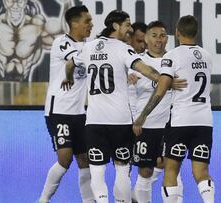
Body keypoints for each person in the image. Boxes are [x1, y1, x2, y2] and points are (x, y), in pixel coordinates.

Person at [64, 10, 187, 203]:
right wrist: (166, 81)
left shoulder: (88, 48)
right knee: (122, 171)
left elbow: (70, 64)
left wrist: (68, 77)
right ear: (116, 26)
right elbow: (147, 70)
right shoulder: (122, 49)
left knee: (97, 171)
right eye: (127, 25)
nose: (130, 29)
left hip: (94, 121)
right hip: (120, 121)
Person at [133, 15, 215, 203]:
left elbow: (160, 91)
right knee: (201, 173)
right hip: (204, 121)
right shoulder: (207, 56)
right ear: (196, 32)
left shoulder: (172, 56)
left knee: (170, 170)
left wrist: (142, 116)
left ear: (177, 33)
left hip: (180, 121)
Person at [39, 6, 94, 203]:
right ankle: (44, 199)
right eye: (87, 21)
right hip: (59, 111)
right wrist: (69, 74)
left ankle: (89, 201)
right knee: (65, 159)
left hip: (79, 113)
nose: (91, 25)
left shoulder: (89, 46)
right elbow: (72, 62)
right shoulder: (61, 43)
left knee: (85, 160)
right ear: (74, 23)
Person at [129, 21, 183, 203]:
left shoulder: (175, 60)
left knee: (172, 169)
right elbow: (128, 92)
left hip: (170, 126)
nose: (159, 40)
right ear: (145, 38)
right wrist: (135, 118)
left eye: (162, 35)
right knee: (145, 172)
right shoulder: (137, 63)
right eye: (154, 35)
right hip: (146, 125)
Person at [0, 0, 71, 81]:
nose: (15, 5)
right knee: (50, 27)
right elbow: (68, 34)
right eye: (19, 66)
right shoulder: (38, 29)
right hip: (33, 28)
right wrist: (67, 3)